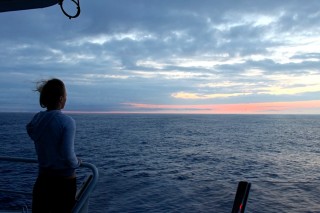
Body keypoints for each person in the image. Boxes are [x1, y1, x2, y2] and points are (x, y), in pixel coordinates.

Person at [26, 78, 81, 213]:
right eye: (65, 96)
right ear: (61, 98)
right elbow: (68, 155)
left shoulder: (37, 119)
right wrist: (77, 163)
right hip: (63, 183)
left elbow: (30, 131)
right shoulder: (67, 121)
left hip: (43, 181)